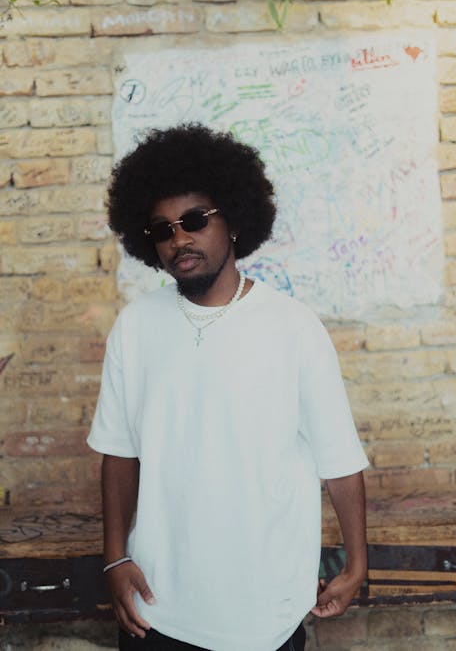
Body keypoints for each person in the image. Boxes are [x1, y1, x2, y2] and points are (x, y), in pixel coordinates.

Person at [87, 124, 369, 651]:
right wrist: (115, 557)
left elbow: (339, 458)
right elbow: (118, 452)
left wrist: (356, 564)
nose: (179, 240)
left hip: (265, 611)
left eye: (194, 220)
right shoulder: (137, 326)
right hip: (157, 607)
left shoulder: (293, 327)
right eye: (162, 230)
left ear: (234, 220)